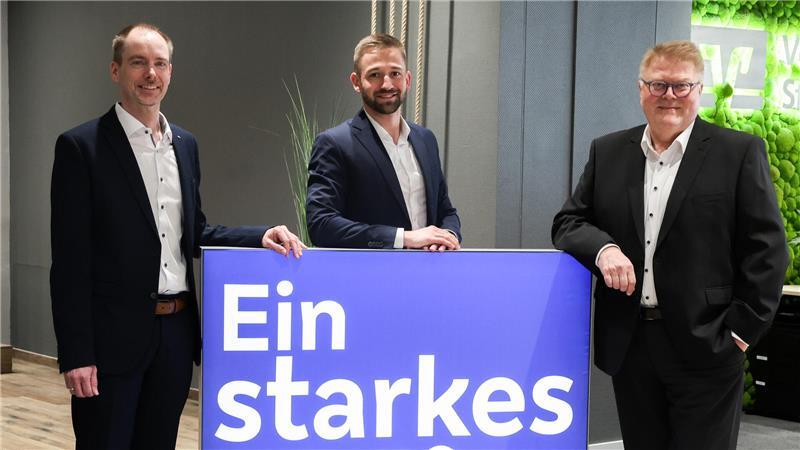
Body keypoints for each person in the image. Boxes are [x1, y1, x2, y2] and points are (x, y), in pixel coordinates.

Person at [50, 23, 305, 449]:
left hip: (176, 335)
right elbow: (70, 261)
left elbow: (195, 232)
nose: (151, 73)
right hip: (112, 340)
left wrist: (260, 235)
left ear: (170, 72)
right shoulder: (81, 147)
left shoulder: (184, 144)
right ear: (115, 71)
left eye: (160, 64)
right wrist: (77, 353)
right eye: (138, 63)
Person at [552, 40, 788, 450]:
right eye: (658, 85)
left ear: (699, 90)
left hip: (709, 343)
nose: (670, 97)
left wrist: (739, 331)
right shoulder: (608, 151)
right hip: (631, 344)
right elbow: (568, 222)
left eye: (681, 86)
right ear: (641, 89)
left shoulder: (738, 153)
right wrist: (604, 249)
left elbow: (768, 250)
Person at [306, 33, 461, 251]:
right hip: (370, 278)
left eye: (394, 73)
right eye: (375, 75)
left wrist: (447, 237)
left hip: (430, 275)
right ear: (356, 82)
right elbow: (321, 224)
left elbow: (446, 210)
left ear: (407, 79)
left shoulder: (426, 139)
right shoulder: (334, 143)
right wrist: (403, 238)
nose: (387, 84)